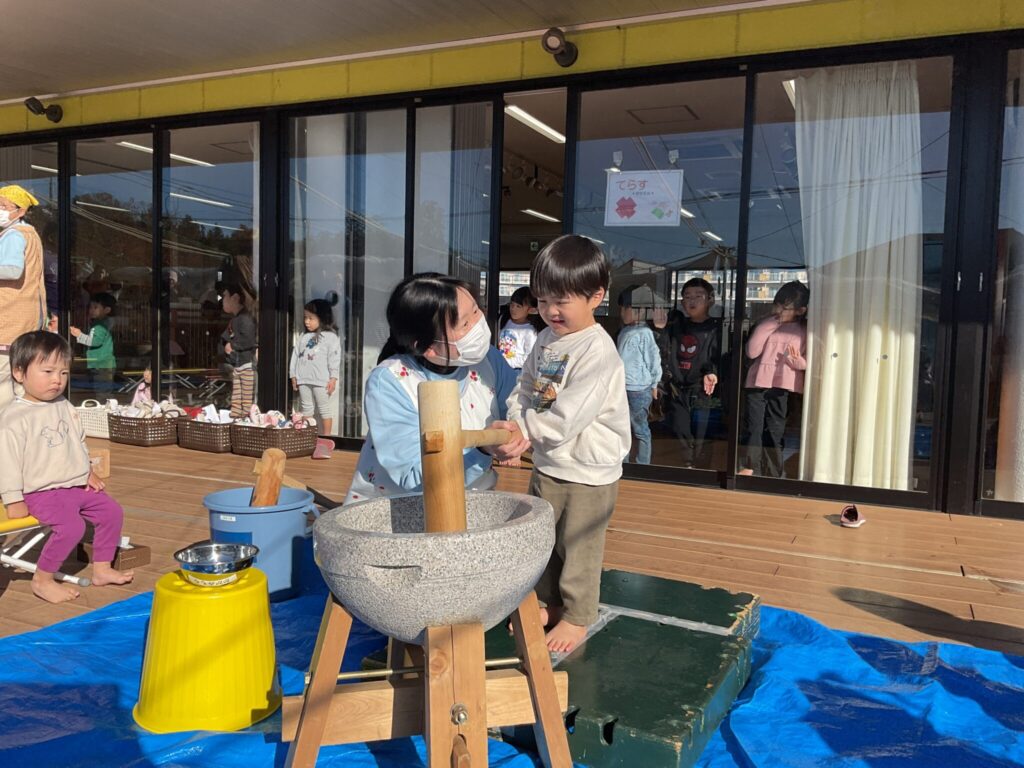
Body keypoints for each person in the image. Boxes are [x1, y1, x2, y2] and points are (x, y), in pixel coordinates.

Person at [500, 235, 630, 653]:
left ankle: (576, 616)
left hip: (588, 469)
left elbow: (568, 417)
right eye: (542, 301)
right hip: (550, 461)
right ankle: (551, 603)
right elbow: (525, 387)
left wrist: (526, 431)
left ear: (596, 297)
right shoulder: (546, 339)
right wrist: (517, 420)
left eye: (561, 301)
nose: (550, 311)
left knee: (579, 544)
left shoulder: (597, 351)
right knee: (546, 539)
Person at [343, 273, 522, 504]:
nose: (479, 324)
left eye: (476, 310)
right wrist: (482, 449)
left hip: (475, 503)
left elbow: (517, 405)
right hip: (401, 510)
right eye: (465, 323)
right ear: (428, 347)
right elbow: (414, 478)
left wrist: (519, 426)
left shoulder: (488, 359)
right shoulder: (390, 381)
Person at [0, 331, 134, 603]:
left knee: (112, 512)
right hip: (40, 492)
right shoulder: (14, 418)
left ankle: (102, 569)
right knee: (72, 527)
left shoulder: (63, 405)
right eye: (48, 371)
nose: (57, 380)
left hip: (75, 485)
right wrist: (13, 499)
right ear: (19, 373)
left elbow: (78, 441)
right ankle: (43, 579)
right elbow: (7, 463)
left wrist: (87, 471)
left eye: (63, 373)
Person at [739, 281, 809, 478]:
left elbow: (806, 362)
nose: (778, 311)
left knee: (775, 430)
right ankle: (750, 466)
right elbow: (752, 351)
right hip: (757, 383)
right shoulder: (766, 323)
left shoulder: (804, 329)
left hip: (783, 386)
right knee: (754, 427)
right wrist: (770, 324)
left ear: (801, 310)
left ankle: (773, 472)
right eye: (777, 305)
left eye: (785, 308)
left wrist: (795, 361)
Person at [655, 277, 721, 468]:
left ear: (710, 300)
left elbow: (718, 355)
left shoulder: (716, 327)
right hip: (678, 387)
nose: (692, 300)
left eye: (698, 296)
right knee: (680, 427)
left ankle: (701, 466)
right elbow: (663, 351)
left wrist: (712, 372)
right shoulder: (677, 325)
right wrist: (660, 330)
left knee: (703, 429)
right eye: (687, 296)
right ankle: (687, 463)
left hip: (702, 387)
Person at [0, 185, 46, 411]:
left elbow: (12, 269)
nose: (0, 210)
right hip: (26, 318)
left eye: (3, 206)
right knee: (20, 383)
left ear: (20, 211)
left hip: (10, 318)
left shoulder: (14, 235)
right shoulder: (30, 234)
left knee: (4, 383)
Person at [616, 285, 662, 465]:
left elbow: (653, 359)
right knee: (623, 427)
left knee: (640, 428)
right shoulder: (625, 331)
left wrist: (655, 383)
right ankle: (624, 462)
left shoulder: (644, 333)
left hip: (639, 389)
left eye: (625, 308)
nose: (622, 313)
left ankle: (643, 464)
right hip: (623, 387)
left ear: (640, 310)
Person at [290, 298, 341, 435]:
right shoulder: (303, 336)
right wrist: (293, 375)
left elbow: (334, 359)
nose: (307, 321)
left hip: (321, 380)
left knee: (324, 409)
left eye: (311, 318)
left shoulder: (331, 337)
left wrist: (333, 378)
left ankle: (327, 437)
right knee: (306, 409)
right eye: (305, 317)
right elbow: (295, 355)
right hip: (303, 379)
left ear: (322, 318)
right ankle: (308, 437)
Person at [70, 292, 117, 402]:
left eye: (95, 307)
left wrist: (79, 335)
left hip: (102, 364)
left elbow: (95, 341)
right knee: (102, 390)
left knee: (103, 392)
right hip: (102, 364)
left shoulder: (100, 325)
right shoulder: (102, 323)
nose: (91, 310)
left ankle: (107, 407)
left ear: (107, 310)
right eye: (90, 307)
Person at [219, 284, 257, 419]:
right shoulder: (236, 319)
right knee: (237, 392)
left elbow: (248, 340)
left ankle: (245, 415)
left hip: (245, 363)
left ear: (235, 298)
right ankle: (236, 413)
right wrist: (227, 345)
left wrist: (232, 346)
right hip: (237, 363)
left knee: (245, 393)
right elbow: (226, 337)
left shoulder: (245, 319)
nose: (222, 300)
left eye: (225, 296)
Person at [497, 286, 544, 370]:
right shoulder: (504, 319)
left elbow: (529, 358)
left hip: (517, 370)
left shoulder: (530, 332)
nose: (513, 309)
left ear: (531, 310)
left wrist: (505, 362)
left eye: (518, 306)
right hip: (499, 366)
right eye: (512, 304)